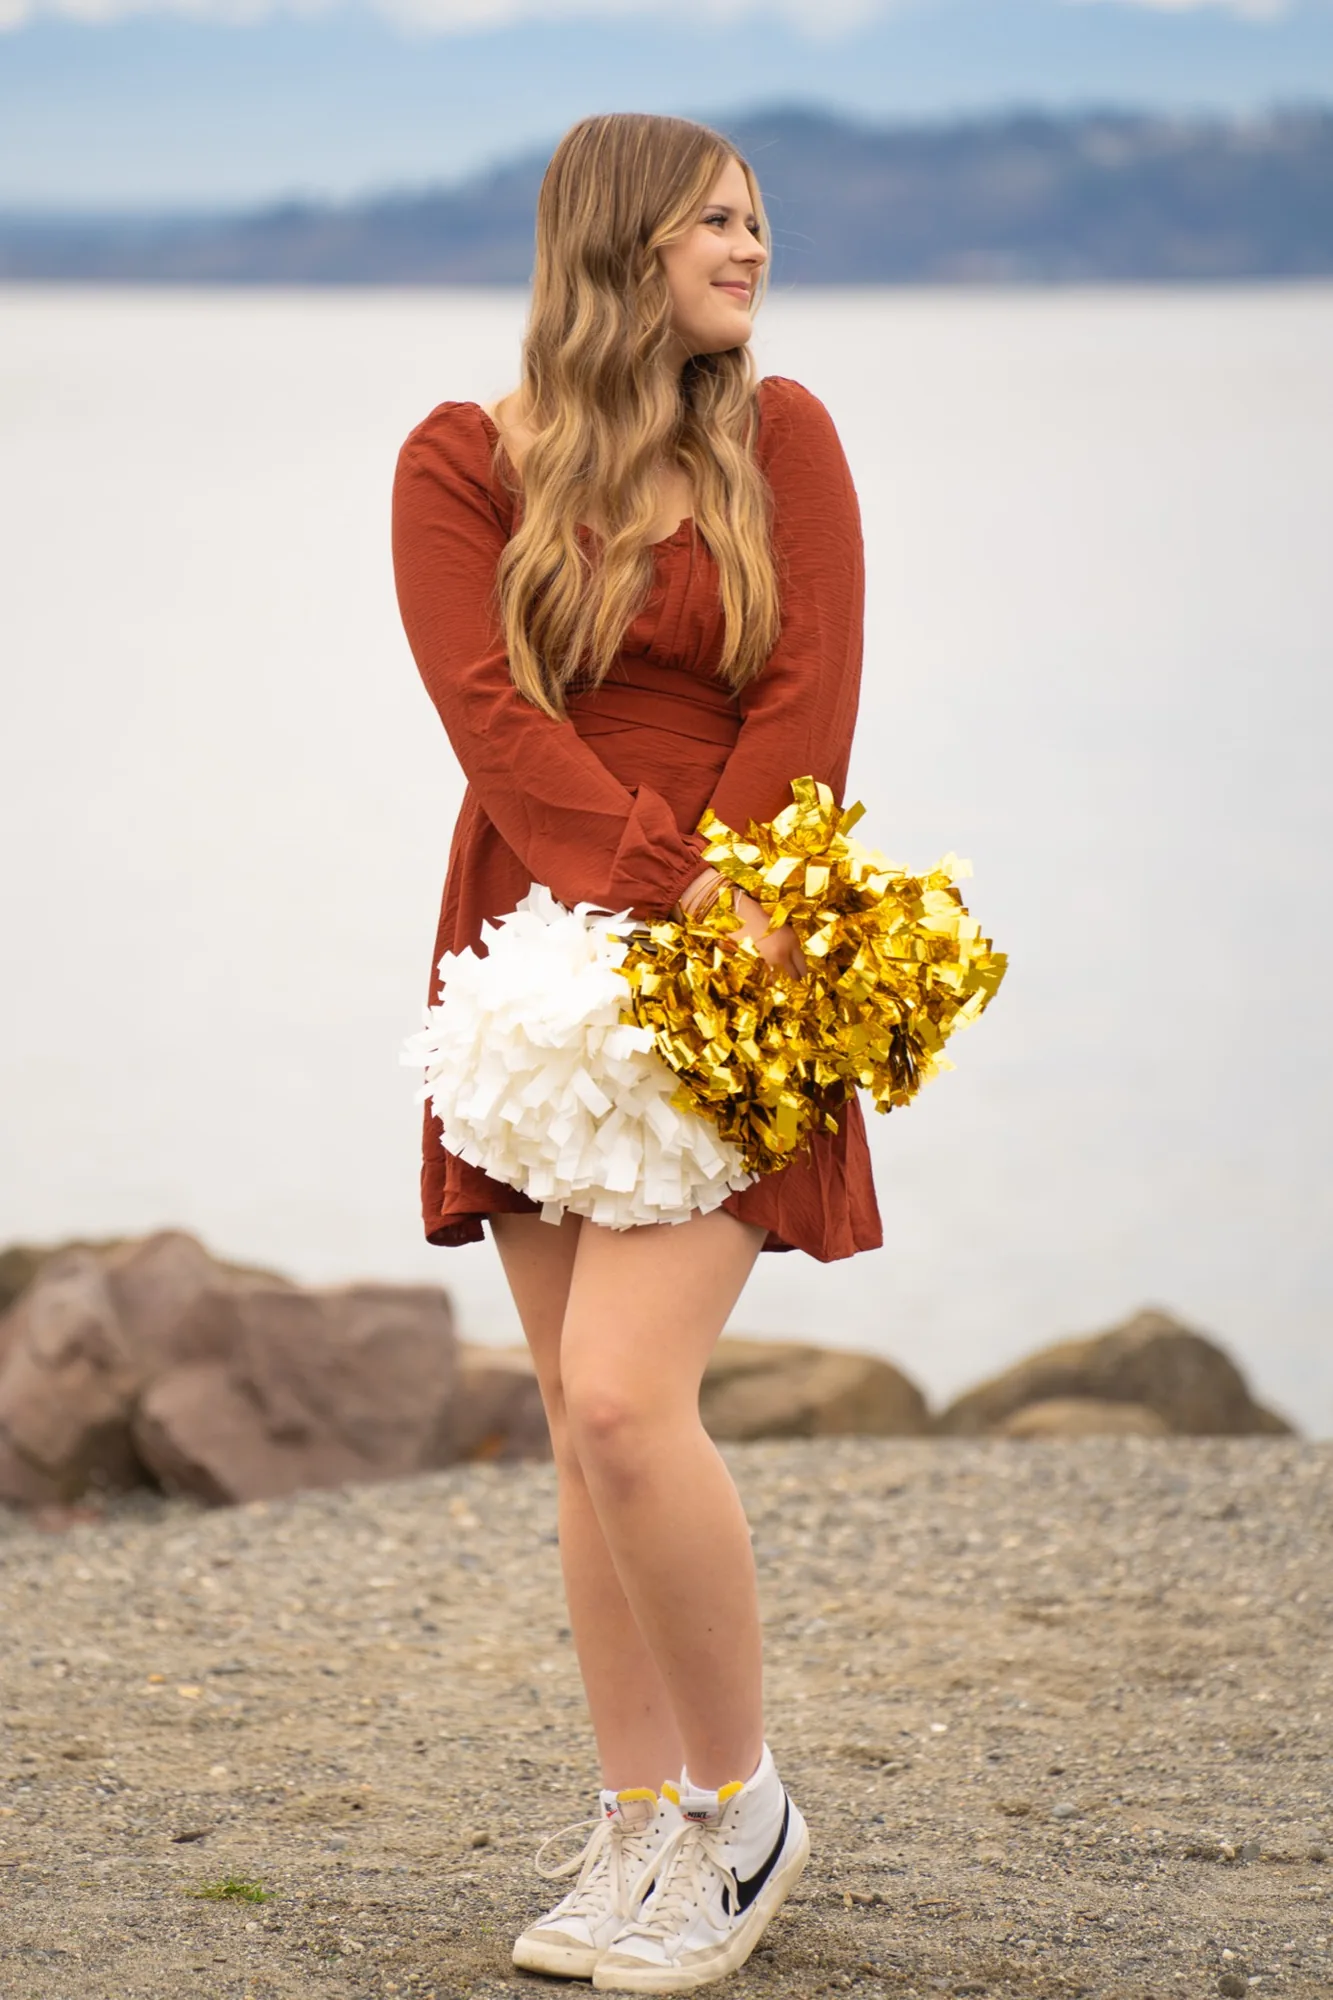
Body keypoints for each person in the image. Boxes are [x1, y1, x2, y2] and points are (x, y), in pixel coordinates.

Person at [391, 110, 882, 1994]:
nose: (752, 252)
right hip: (529, 967)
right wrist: (623, 901)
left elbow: (807, 704)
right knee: (580, 1435)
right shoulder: (464, 464)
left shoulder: (786, 441)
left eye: (760, 222)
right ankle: (635, 1827)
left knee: (621, 1398)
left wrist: (709, 916)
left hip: (738, 959)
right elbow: (490, 725)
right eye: (714, 224)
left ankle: (742, 1813)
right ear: (617, 243)